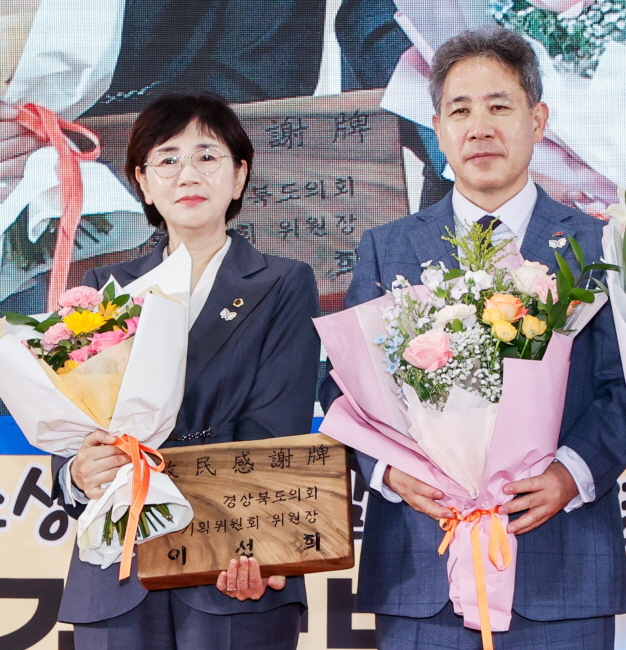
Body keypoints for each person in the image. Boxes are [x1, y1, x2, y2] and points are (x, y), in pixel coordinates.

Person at [320, 26, 626, 650]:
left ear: (538, 120)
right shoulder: (388, 248)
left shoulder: (598, 245)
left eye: (499, 106)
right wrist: (388, 472)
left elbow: (620, 386)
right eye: (460, 110)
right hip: (422, 566)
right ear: (437, 127)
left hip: (562, 565)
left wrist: (571, 473)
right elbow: (341, 390)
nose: (479, 128)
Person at [51, 92, 320, 650]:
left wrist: (251, 540)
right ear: (143, 183)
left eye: (207, 156)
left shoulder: (283, 283)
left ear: (239, 175)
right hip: (118, 567)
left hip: (232, 565)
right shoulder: (104, 290)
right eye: (167, 159)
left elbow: (275, 428)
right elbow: (75, 421)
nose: (188, 174)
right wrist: (78, 472)